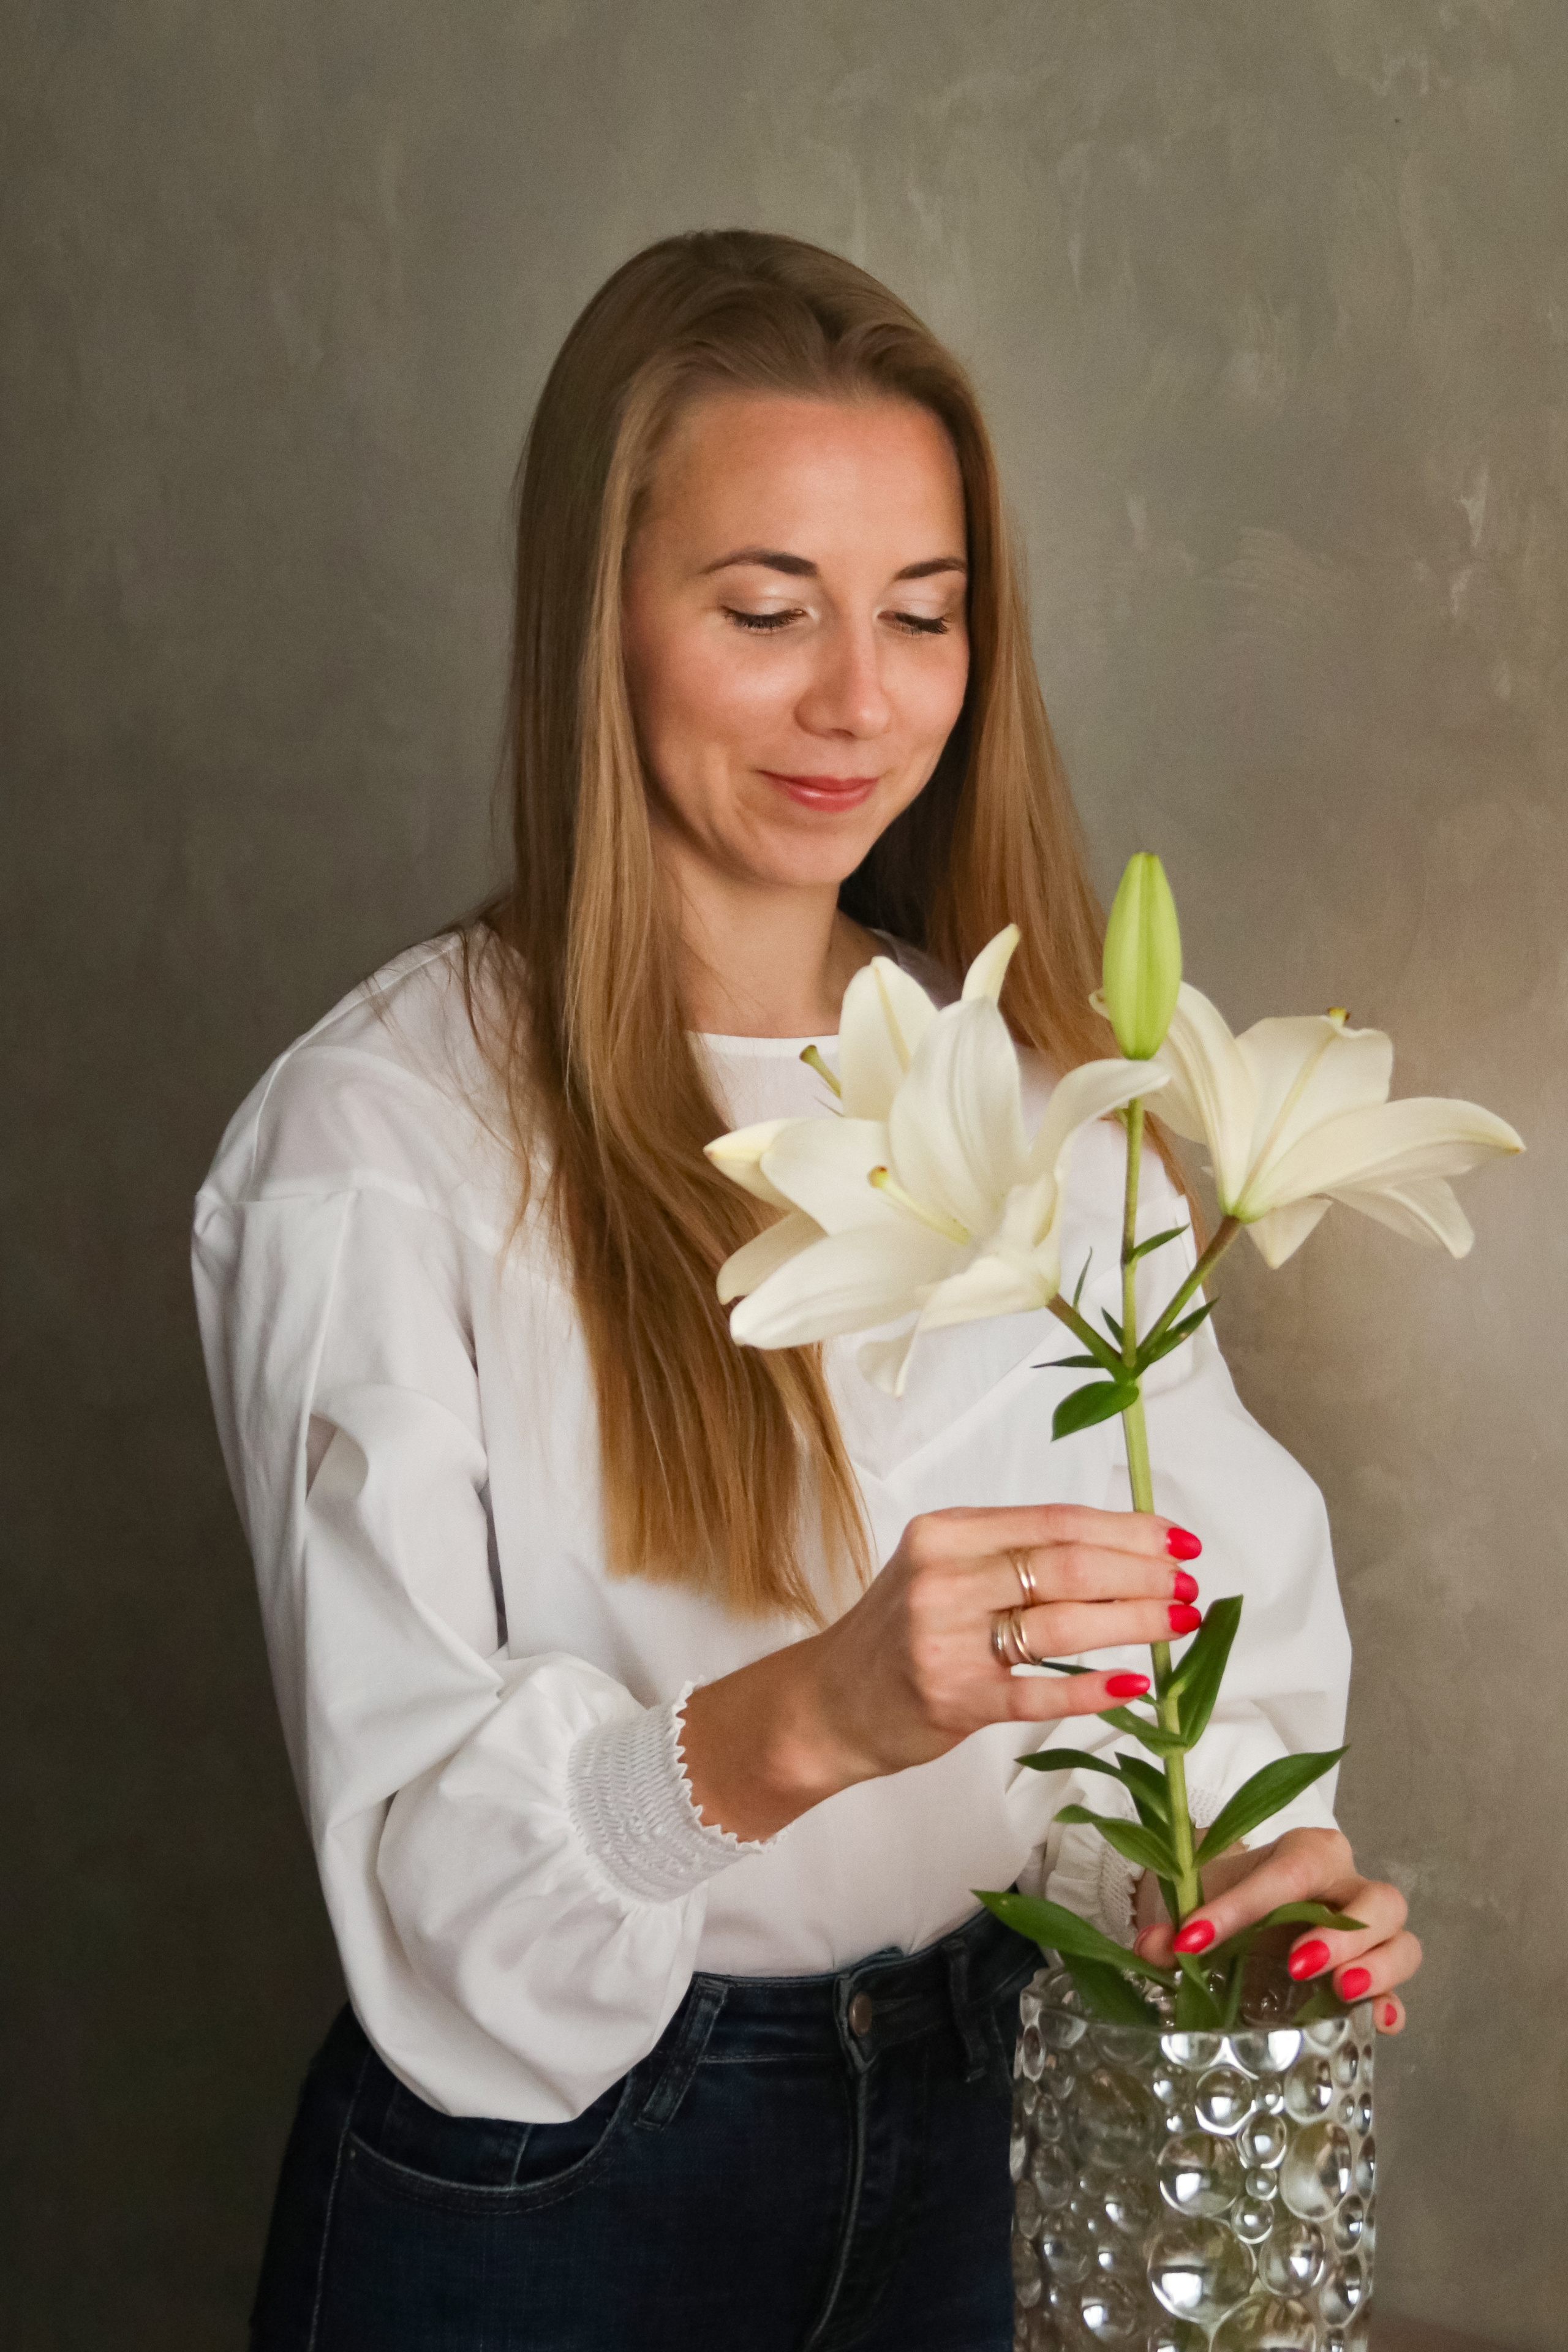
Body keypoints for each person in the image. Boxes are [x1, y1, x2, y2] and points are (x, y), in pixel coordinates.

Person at [193, 230, 1420, 2351]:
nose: (861, 699)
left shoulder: (1052, 1101)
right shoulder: (379, 1150)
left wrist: (1231, 1883)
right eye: (767, 612)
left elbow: (1212, 1654)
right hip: (551, 2208)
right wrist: (811, 1716)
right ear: (598, 621)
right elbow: (434, 1919)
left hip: (987, 2134)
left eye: (922, 613)